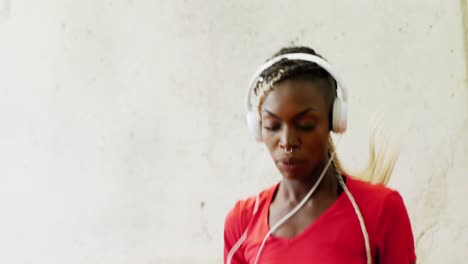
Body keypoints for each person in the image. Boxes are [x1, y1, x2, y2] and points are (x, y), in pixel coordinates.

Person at [223, 46, 416, 264]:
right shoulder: (242, 222)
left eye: (305, 125)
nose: (287, 142)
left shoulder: (381, 210)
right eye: (273, 126)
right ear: (258, 129)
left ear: (334, 121)